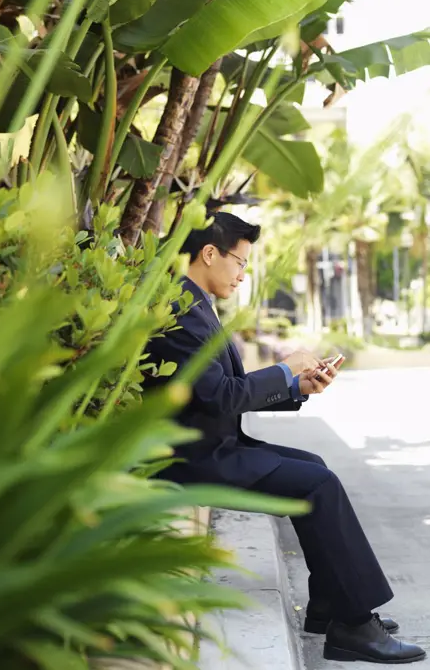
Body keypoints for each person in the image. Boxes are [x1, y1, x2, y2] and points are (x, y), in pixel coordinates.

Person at [144, 211, 426, 664]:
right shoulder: (179, 312)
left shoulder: (194, 305)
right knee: (319, 484)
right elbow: (218, 396)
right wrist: (283, 369)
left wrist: (298, 387)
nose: (242, 275)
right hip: (193, 458)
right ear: (209, 253)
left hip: (212, 448)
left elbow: (224, 395)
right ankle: (354, 625)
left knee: (313, 466)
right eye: (240, 262)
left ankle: (328, 605)